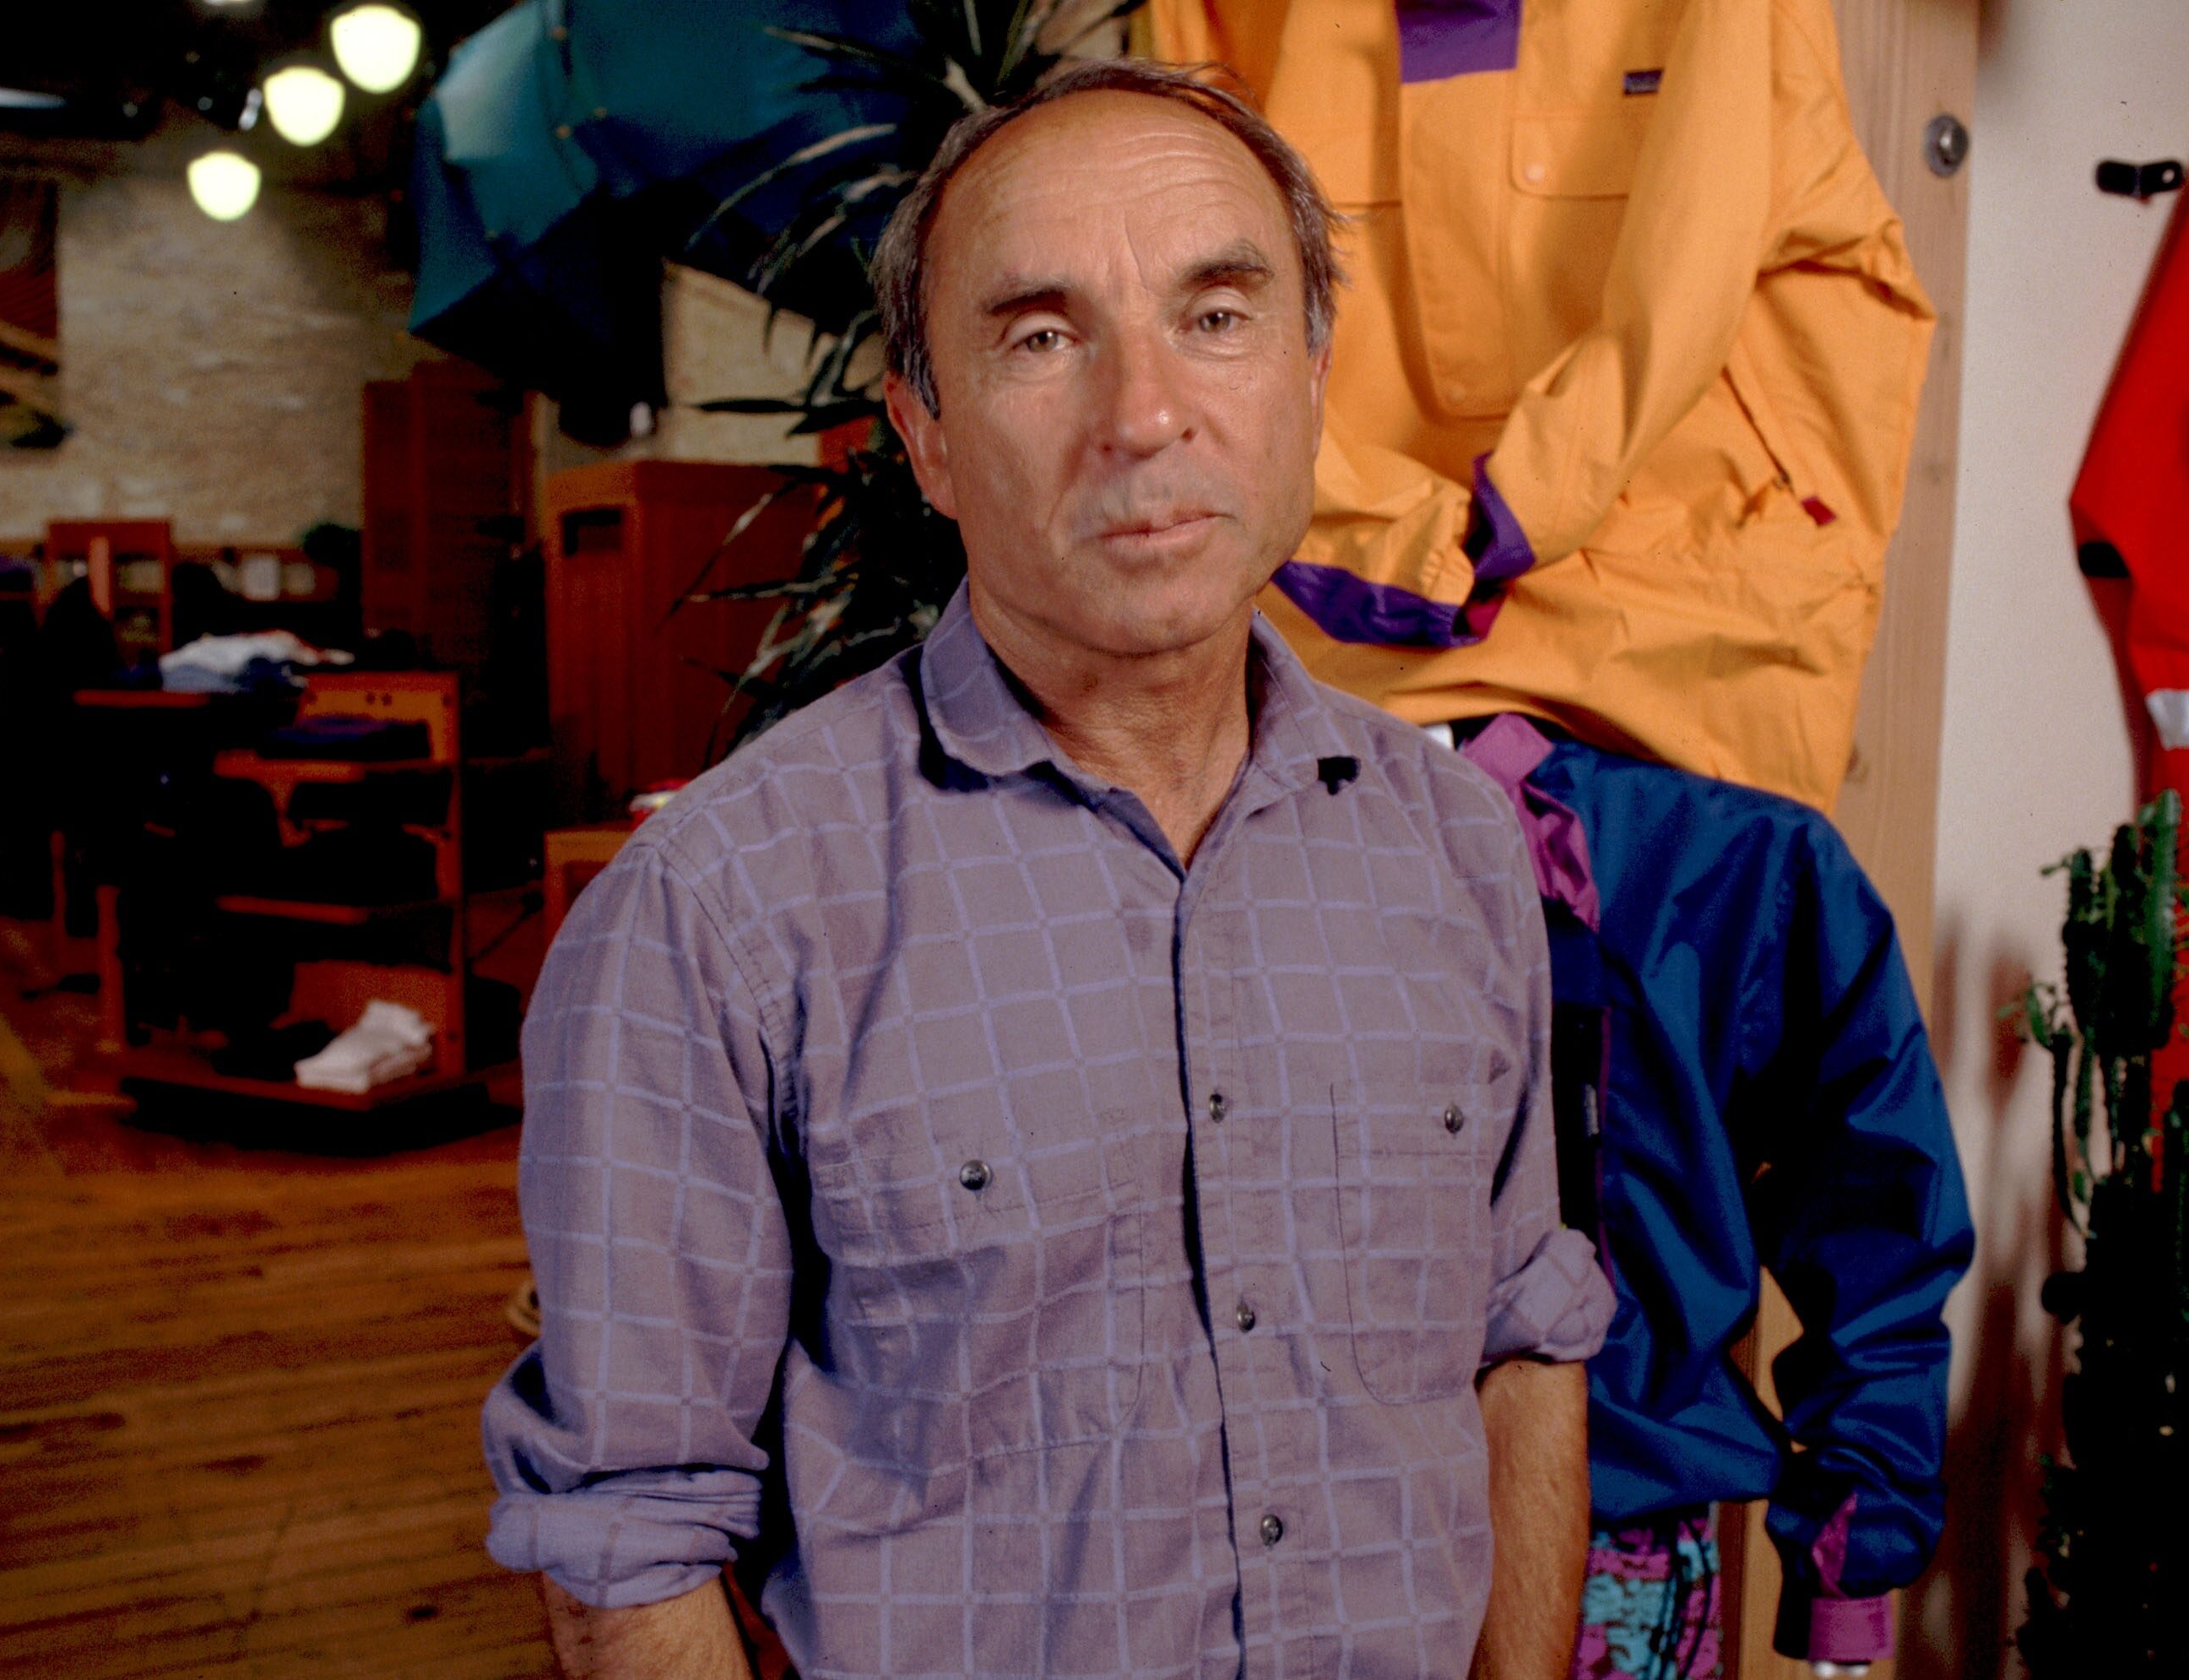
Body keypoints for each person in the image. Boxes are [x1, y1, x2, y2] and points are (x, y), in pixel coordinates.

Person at [483, 59, 1614, 1679]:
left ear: (1311, 374)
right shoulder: (719, 913)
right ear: (925, 439)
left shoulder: (1460, 852)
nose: (1145, 412)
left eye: (1217, 315)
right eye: (1039, 336)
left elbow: (1519, 1337)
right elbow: (627, 1533)